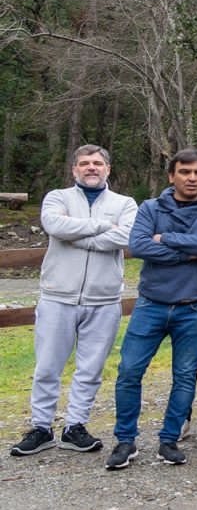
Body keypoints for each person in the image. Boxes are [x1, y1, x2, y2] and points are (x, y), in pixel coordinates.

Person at [106, 149, 197, 470]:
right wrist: (190, 250)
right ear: (171, 176)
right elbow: (139, 245)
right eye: (185, 172)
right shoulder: (150, 208)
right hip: (151, 305)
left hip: (194, 307)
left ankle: (169, 440)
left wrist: (165, 239)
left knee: (185, 376)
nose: (192, 178)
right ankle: (125, 440)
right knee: (129, 371)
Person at [10, 145, 135, 458]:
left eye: (97, 163)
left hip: (104, 299)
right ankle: (41, 427)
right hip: (58, 296)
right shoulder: (57, 198)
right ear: (74, 169)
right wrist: (103, 227)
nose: (91, 167)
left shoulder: (124, 203)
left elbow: (127, 237)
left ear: (107, 169)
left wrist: (74, 235)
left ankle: (75, 426)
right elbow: (55, 226)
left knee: (90, 369)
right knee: (47, 366)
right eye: (85, 163)